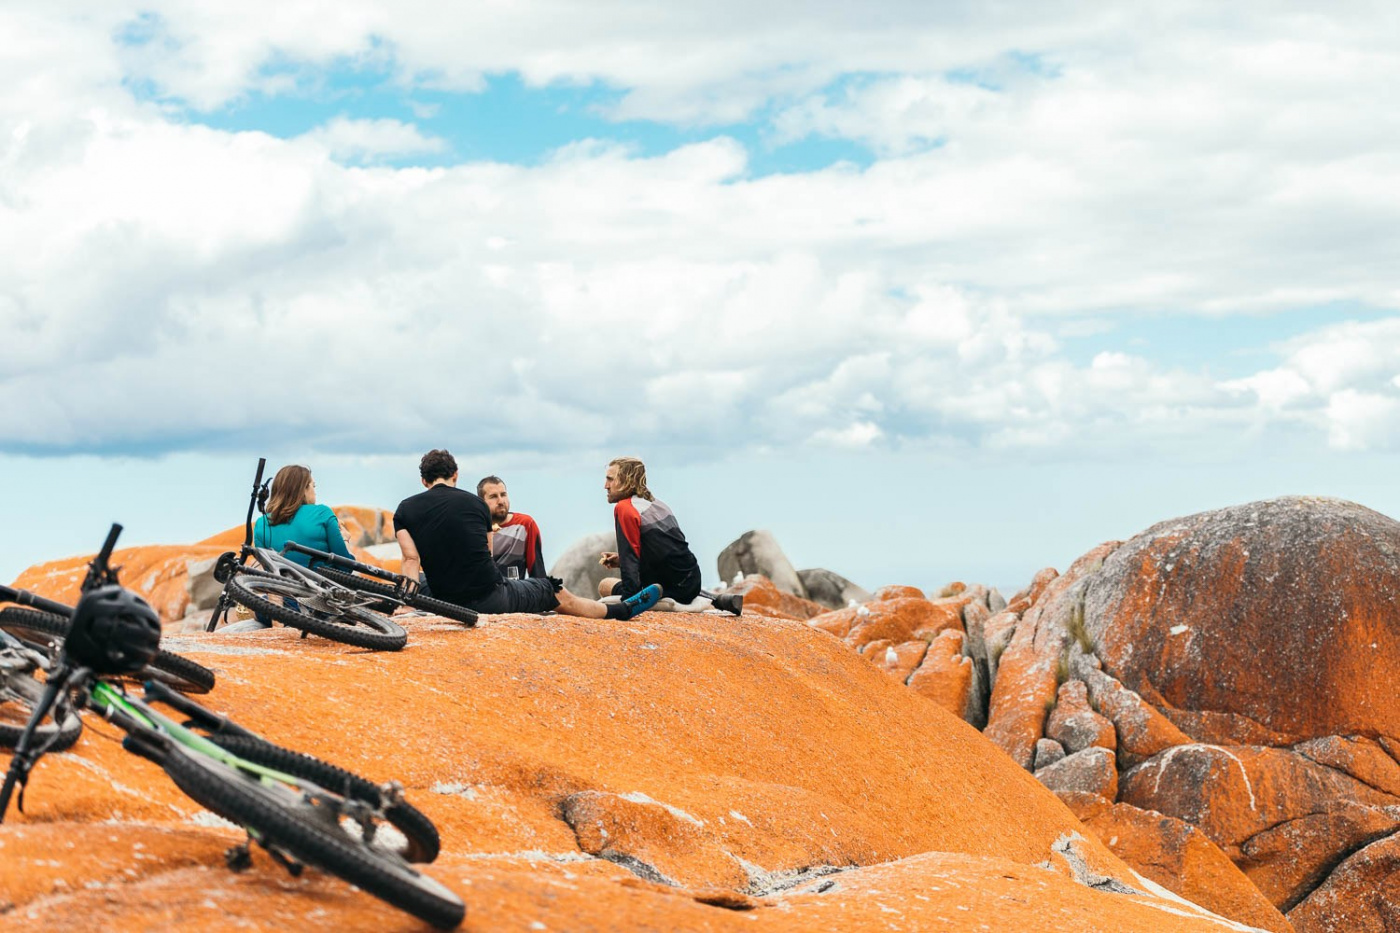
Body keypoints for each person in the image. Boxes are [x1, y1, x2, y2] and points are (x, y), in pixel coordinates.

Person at [395, 450, 661, 619]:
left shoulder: (405, 509)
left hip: (443, 596)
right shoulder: (475, 505)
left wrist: (408, 604)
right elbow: (484, 558)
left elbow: (410, 560)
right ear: (455, 475)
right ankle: (619, 610)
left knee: (415, 578)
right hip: (487, 597)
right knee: (551, 589)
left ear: (423, 481)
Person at [598, 457, 742, 615]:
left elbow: (631, 564)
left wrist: (626, 604)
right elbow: (664, 553)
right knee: (657, 583)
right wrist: (621, 559)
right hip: (692, 580)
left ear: (626, 481)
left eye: (610, 479)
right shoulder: (657, 504)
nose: (606, 486)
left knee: (605, 585)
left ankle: (667, 598)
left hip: (669, 588)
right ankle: (714, 599)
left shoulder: (625, 508)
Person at [252, 465, 355, 567]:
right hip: (319, 583)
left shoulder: (261, 524)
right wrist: (345, 539)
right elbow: (345, 567)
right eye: (313, 486)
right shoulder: (322, 513)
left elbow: (268, 568)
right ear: (304, 489)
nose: (315, 492)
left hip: (279, 583)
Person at [477, 475, 547, 580]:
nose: (501, 501)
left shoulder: (525, 524)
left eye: (503, 495)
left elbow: (538, 573)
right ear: (481, 502)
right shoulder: (474, 529)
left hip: (515, 593)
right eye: (493, 496)